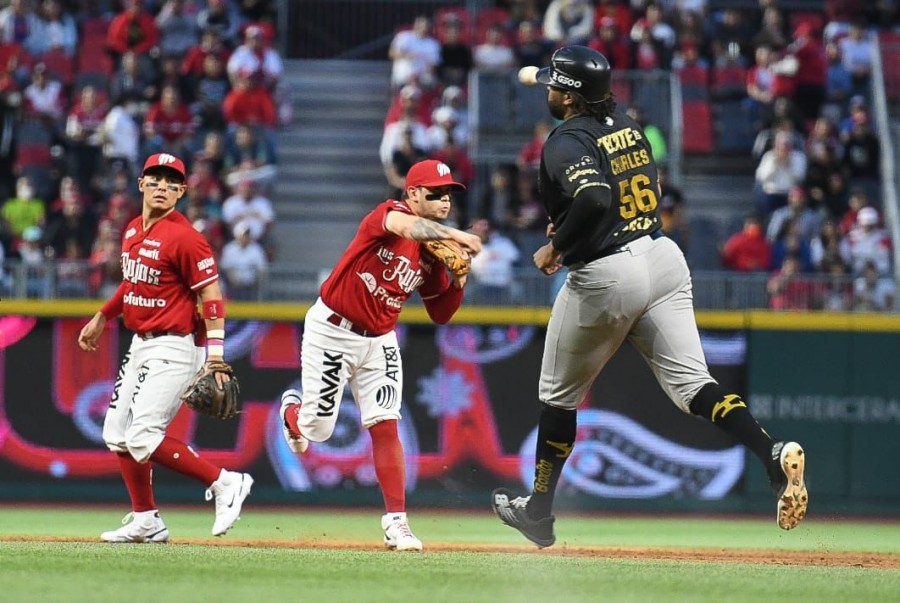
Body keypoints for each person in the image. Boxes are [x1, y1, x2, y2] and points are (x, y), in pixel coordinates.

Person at [491, 46, 808, 548]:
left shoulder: (564, 141)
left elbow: (594, 196)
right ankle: (771, 453)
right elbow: (624, 177)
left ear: (571, 95)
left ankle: (540, 511)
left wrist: (557, 245)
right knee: (694, 387)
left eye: (556, 84)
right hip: (661, 257)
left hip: (607, 271)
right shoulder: (627, 124)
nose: (548, 89)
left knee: (557, 397)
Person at [278, 159, 482, 551]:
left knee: (385, 423)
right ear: (412, 195)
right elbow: (409, 228)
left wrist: (458, 278)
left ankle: (397, 522)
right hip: (333, 329)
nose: (444, 202)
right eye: (435, 194)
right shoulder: (388, 215)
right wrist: (457, 236)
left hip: (380, 339)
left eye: (449, 195)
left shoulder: (434, 251)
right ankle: (292, 413)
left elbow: (441, 314)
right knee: (317, 429)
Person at [77, 153, 254, 543]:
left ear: (182, 191)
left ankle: (226, 482)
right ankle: (147, 520)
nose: (162, 187)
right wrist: (103, 316)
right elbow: (133, 284)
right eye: (155, 179)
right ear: (141, 184)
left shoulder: (186, 237)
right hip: (141, 343)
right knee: (117, 432)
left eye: (171, 182)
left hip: (174, 346)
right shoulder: (131, 231)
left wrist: (217, 355)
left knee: (142, 435)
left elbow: (211, 295)